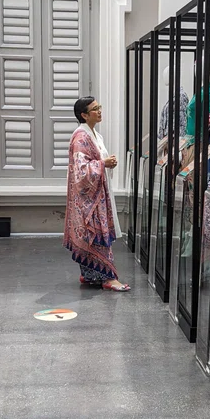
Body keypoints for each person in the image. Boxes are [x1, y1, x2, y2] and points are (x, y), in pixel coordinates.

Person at [63, 96, 131, 291]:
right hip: (88, 199)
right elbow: (80, 170)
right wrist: (103, 163)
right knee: (97, 234)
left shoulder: (94, 135)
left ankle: (91, 274)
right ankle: (108, 278)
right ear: (84, 115)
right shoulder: (81, 137)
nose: (100, 111)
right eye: (95, 109)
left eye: (100, 107)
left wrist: (107, 162)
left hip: (98, 194)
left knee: (94, 235)